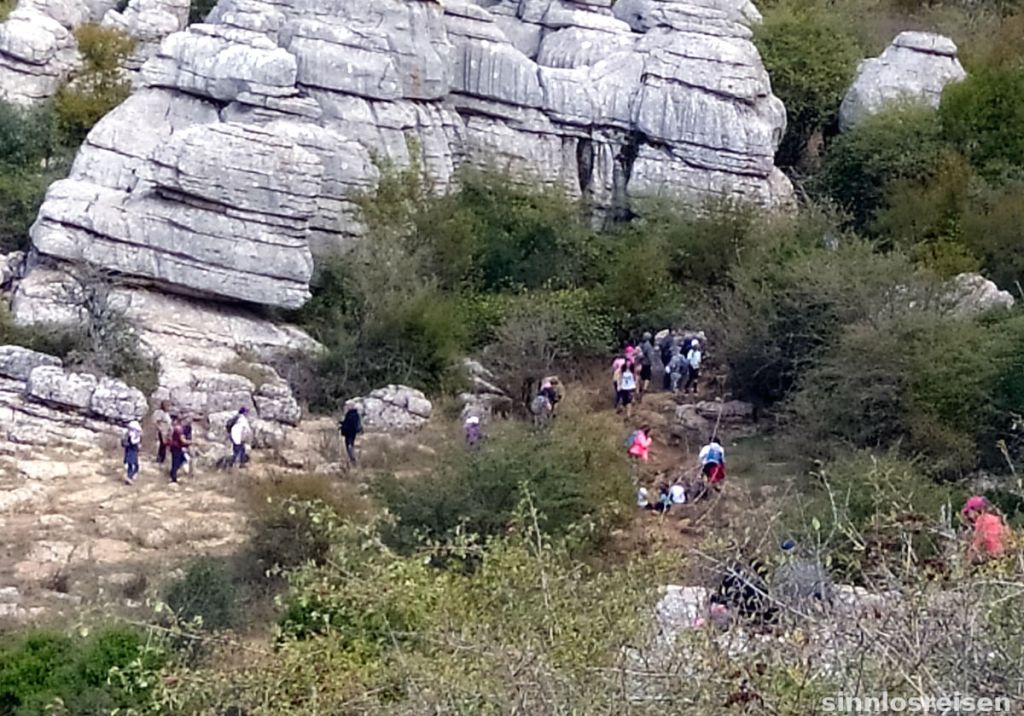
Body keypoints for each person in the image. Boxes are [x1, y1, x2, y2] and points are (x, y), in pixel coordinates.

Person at [962, 496, 1009, 562]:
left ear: (975, 510)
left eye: (968, 512)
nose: (968, 516)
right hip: (1004, 555)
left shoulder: (981, 520)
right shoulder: (997, 519)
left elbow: (977, 543)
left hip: (992, 557)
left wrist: (968, 558)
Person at [168, 416, 190, 484]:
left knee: (179, 461)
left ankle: (173, 476)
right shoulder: (179, 429)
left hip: (175, 447)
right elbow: (183, 440)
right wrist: (193, 442)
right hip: (176, 448)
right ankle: (173, 478)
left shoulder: (175, 428)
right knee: (176, 463)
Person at [122, 419, 142, 485]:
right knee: (132, 465)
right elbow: (133, 443)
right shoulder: (131, 436)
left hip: (131, 451)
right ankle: (129, 477)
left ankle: (130, 476)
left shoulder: (130, 435)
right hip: (131, 452)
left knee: (134, 465)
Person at [153, 400, 172, 464]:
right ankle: (159, 459)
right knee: (162, 445)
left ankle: (162, 459)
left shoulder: (166, 413)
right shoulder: (160, 412)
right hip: (162, 431)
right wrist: (160, 429)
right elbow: (156, 422)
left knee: (164, 445)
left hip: (166, 432)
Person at [638, 332, 655, 398]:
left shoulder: (640, 344)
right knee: (647, 377)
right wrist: (652, 363)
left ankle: (639, 387)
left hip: (640, 362)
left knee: (640, 376)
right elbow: (650, 355)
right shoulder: (648, 345)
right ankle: (644, 389)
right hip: (647, 363)